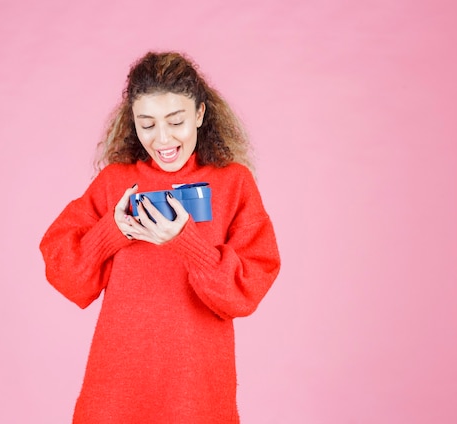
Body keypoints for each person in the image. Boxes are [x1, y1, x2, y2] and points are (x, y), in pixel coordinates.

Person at [40, 51, 280, 424]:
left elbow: (245, 293)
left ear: (199, 115)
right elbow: (67, 275)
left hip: (196, 392)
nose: (163, 138)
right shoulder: (114, 183)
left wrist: (185, 242)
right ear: (131, 122)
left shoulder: (234, 183)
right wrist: (111, 232)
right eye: (147, 123)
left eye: (176, 121)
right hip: (117, 389)